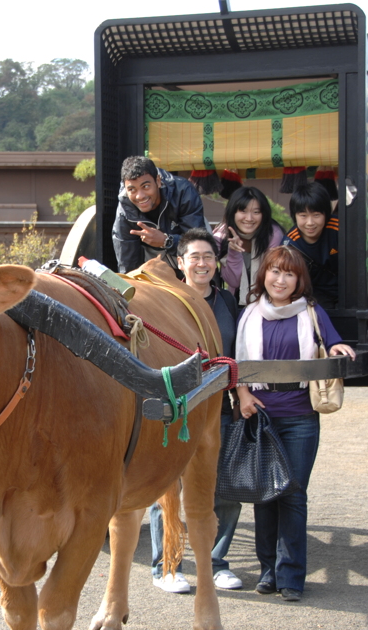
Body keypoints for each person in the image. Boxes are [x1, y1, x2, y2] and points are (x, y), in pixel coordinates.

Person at [235, 246, 356, 602]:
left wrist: (338, 349)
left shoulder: (311, 312)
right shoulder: (250, 314)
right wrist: (242, 396)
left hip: (301, 415)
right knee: (264, 496)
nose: (281, 279)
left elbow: (330, 343)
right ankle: (268, 570)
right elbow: (237, 360)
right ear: (265, 275)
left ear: (299, 280)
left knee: (292, 493)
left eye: (289, 274)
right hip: (261, 413)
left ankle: (292, 576)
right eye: (275, 271)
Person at [148, 229, 244, 593]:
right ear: (180, 262)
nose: (202, 263)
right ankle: (167, 566)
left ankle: (216, 561)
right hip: (176, 404)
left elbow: (237, 351)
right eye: (194, 257)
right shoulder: (164, 300)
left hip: (216, 405)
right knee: (166, 485)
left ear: (216, 263)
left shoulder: (227, 302)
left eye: (208, 257)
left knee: (224, 487)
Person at [111, 156, 208, 274]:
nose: (140, 196)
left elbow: (197, 243)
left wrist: (166, 241)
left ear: (158, 181)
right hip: (153, 261)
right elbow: (127, 264)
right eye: (132, 189)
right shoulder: (125, 209)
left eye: (145, 186)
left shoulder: (183, 191)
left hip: (185, 253)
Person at [212, 186, 285, 305]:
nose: (249, 218)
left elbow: (272, 276)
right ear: (233, 212)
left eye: (256, 212)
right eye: (243, 211)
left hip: (269, 299)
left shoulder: (273, 235)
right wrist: (234, 252)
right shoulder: (221, 236)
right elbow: (233, 282)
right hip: (234, 300)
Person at [284, 182, 339, 309]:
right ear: (294, 216)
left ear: (326, 214)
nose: (310, 223)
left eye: (316, 215)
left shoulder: (339, 229)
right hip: (313, 297)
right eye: (303, 215)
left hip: (347, 291)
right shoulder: (290, 244)